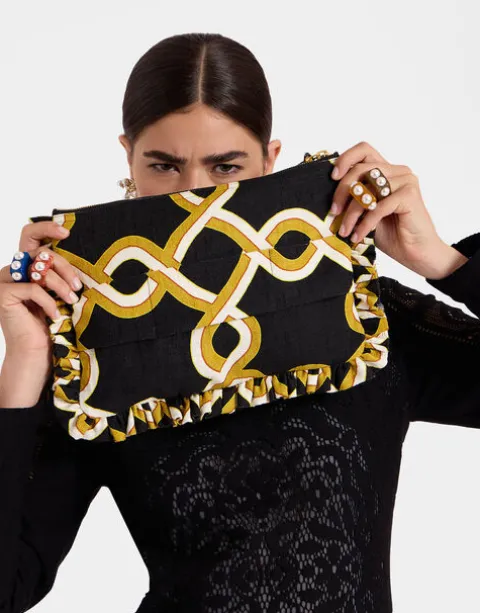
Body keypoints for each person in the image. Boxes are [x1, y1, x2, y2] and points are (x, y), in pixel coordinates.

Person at [0, 32, 479, 613]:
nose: (193, 194)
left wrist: (445, 263)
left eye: (225, 166)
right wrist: (23, 366)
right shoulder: (91, 355)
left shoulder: (362, 317)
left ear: (270, 160)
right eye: (164, 166)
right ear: (128, 158)